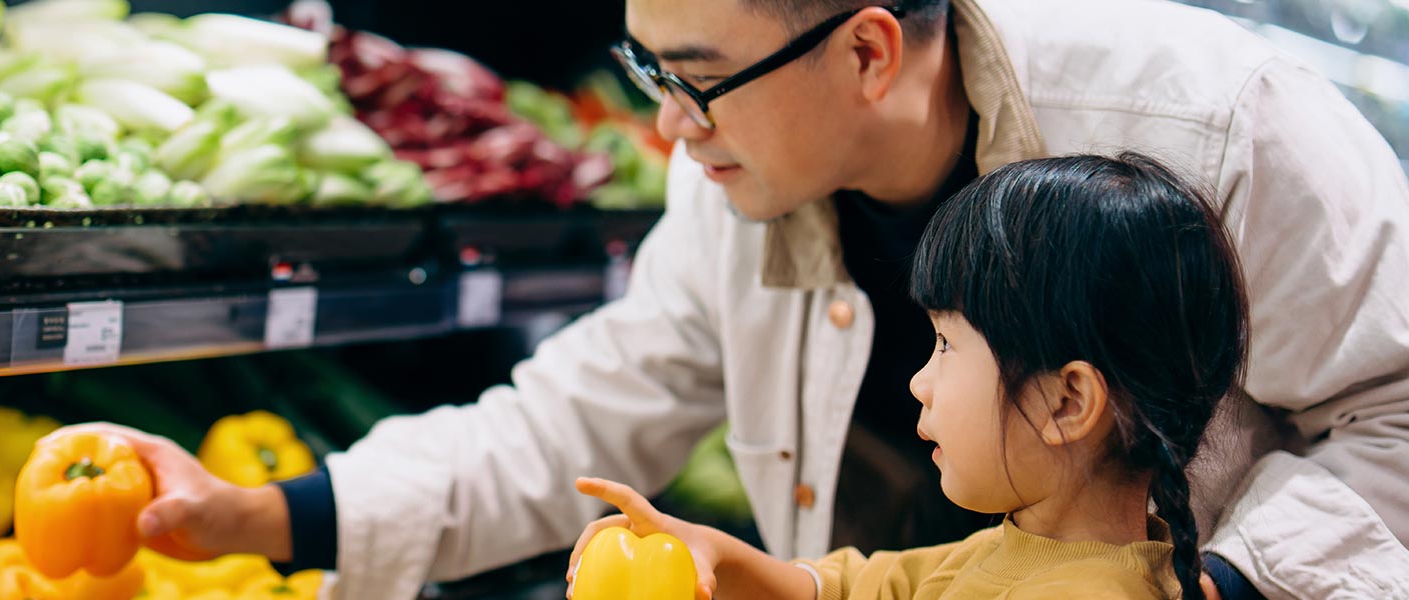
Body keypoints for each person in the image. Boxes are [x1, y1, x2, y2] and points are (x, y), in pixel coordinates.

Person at [78, 0, 1409, 597]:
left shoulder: (1215, 125)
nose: (665, 122)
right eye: (644, 65)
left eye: (695, 76)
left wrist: (1215, 589)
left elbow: (1397, 417)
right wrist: (265, 515)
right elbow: (580, 420)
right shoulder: (735, 180)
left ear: (869, 51)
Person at [567, 152, 1248, 600]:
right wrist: (715, 553)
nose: (920, 383)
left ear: (1067, 401)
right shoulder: (1015, 551)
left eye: (947, 346)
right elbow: (852, 588)